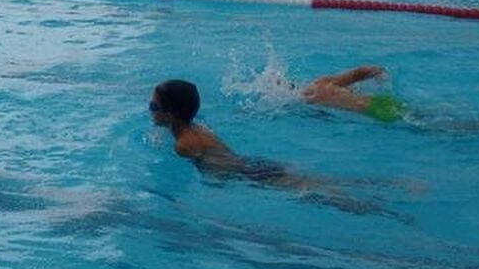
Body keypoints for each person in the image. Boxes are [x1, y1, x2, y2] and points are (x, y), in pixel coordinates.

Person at [146, 80, 384, 216]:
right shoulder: (195, 128)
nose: (150, 110)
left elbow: (215, 172)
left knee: (316, 194)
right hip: (255, 165)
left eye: (153, 105)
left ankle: (375, 210)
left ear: (171, 113)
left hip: (251, 174)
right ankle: (383, 187)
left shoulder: (184, 144)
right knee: (316, 182)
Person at [299, 66, 407, 122]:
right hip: (383, 103)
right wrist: (377, 72)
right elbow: (358, 73)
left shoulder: (309, 100)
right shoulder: (322, 83)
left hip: (375, 112)